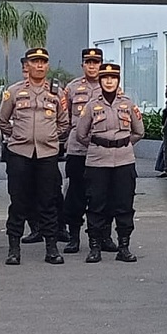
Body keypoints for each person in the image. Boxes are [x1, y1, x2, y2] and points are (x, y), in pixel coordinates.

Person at [0, 47, 70, 265]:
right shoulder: (14, 91)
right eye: (34, 61)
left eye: (43, 62)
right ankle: (13, 249)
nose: (39, 65)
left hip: (47, 155)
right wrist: (19, 135)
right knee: (19, 201)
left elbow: (64, 122)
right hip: (20, 154)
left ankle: (52, 248)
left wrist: (49, 137)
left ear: (47, 66)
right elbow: (2, 120)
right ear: (26, 66)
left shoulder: (57, 93)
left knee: (48, 201)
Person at [74, 62, 143, 263]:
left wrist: (121, 144)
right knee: (96, 204)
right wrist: (100, 145)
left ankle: (124, 247)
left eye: (113, 78)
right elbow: (81, 134)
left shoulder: (128, 104)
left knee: (124, 205)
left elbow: (139, 132)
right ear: (101, 81)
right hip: (97, 162)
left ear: (118, 81)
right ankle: (95, 247)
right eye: (105, 78)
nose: (109, 81)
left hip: (123, 160)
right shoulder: (91, 106)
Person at [63, 49, 110, 254]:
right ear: (82, 64)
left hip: (103, 150)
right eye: (88, 62)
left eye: (96, 62)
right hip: (78, 150)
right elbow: (63, 117)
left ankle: (104, 237)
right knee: (76, 194)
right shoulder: (72, 88)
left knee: (104, 195)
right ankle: (73, 237)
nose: (92, 66)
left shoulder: (110, 87)